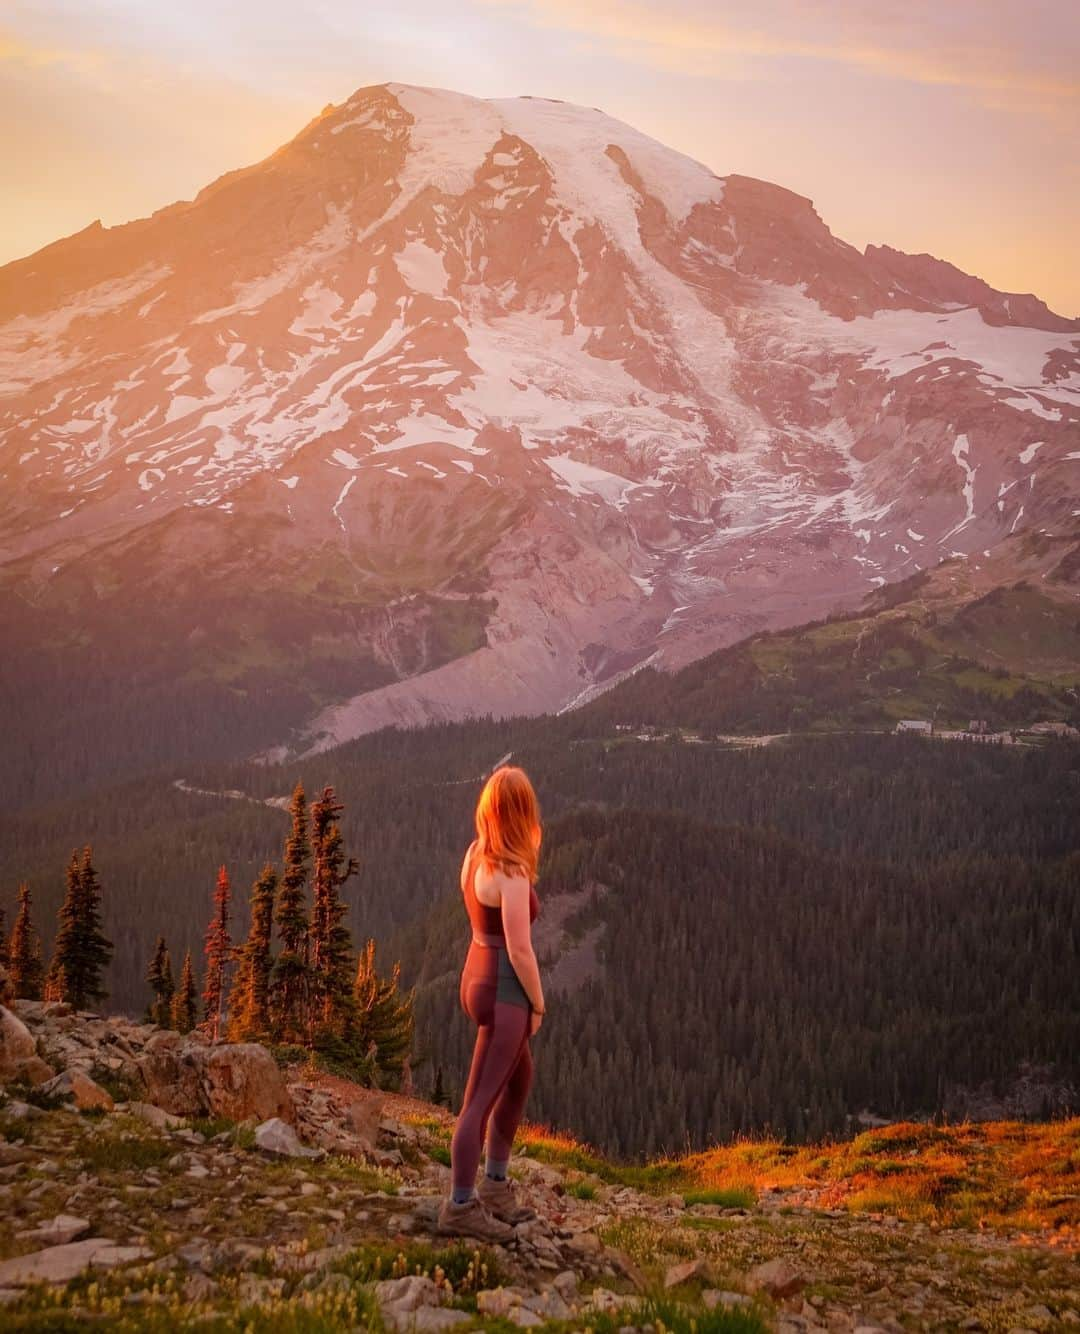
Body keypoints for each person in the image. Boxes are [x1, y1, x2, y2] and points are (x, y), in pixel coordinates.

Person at [436, 764, 546, 1240]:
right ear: (523, 814)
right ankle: (462, 1205)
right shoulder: (514, 873)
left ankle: (495, 1185)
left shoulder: (474, 855)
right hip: (505, 992)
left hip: (475, 977)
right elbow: (520, 949)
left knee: (518, 1081)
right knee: (479, 1101)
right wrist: (537, 1004)